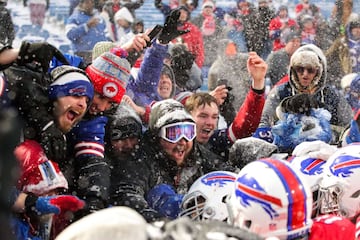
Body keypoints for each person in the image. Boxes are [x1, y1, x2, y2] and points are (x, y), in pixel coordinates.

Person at [110, 99, 234, 222]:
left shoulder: (198, 154)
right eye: (173, 133)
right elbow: (127, 195)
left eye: (188, 132)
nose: (183, 141)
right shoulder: (141, 159)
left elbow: (229, 175)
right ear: (157, 136)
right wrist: (161, 223)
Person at [65, 48, 133, 217]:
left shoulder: (95, 121)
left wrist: (95, 198)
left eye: (110, 103)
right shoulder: (59, 64)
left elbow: (93, 161)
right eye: (100, 96)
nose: (101, 108)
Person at [256, 44, 353, 145]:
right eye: (300, 69)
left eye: (310, 70)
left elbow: (349, 128)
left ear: (319, 71)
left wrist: (324, 128)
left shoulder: (332, 96)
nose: (305, 74)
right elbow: (263, 124)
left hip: (324, 151)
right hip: (286, 153)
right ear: (293, 70)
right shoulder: (280, 92)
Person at [185, 51, 267, 159]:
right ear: (188, 117)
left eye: (214, 117)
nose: (210, 123)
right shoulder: (173, 143)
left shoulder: (215, 141)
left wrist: (258, 82)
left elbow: (244, 127)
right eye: (203, 116)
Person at [11, 140, 85, 240]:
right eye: (43, 192)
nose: (52, 196)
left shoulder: (63, 215)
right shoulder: (12, 226)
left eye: (56, 190)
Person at [66, 0, 109, 65]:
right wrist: (86, 26)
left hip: (100, 54)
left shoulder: (99, 17)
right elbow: (70, 35)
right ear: (81, 4)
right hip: (82, 54)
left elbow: (106, 35)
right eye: (87, 2)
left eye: (92, 2)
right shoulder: (74, 18)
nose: (90, 4)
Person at [326, 13, 360, 90]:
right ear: (350, 29)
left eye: (359, 28)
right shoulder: (341, 42)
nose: (358, 30)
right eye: (355, 28)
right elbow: (328, 57)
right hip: (347, 76)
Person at [191, 0, 224, 69]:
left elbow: (220, 33)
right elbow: (192, 31)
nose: (208, 9)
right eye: (206, 7)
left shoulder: (216, 20)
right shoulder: (197, 19)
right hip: (201, 44)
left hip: (212, 45)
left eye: (210, 7)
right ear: (203, 9)